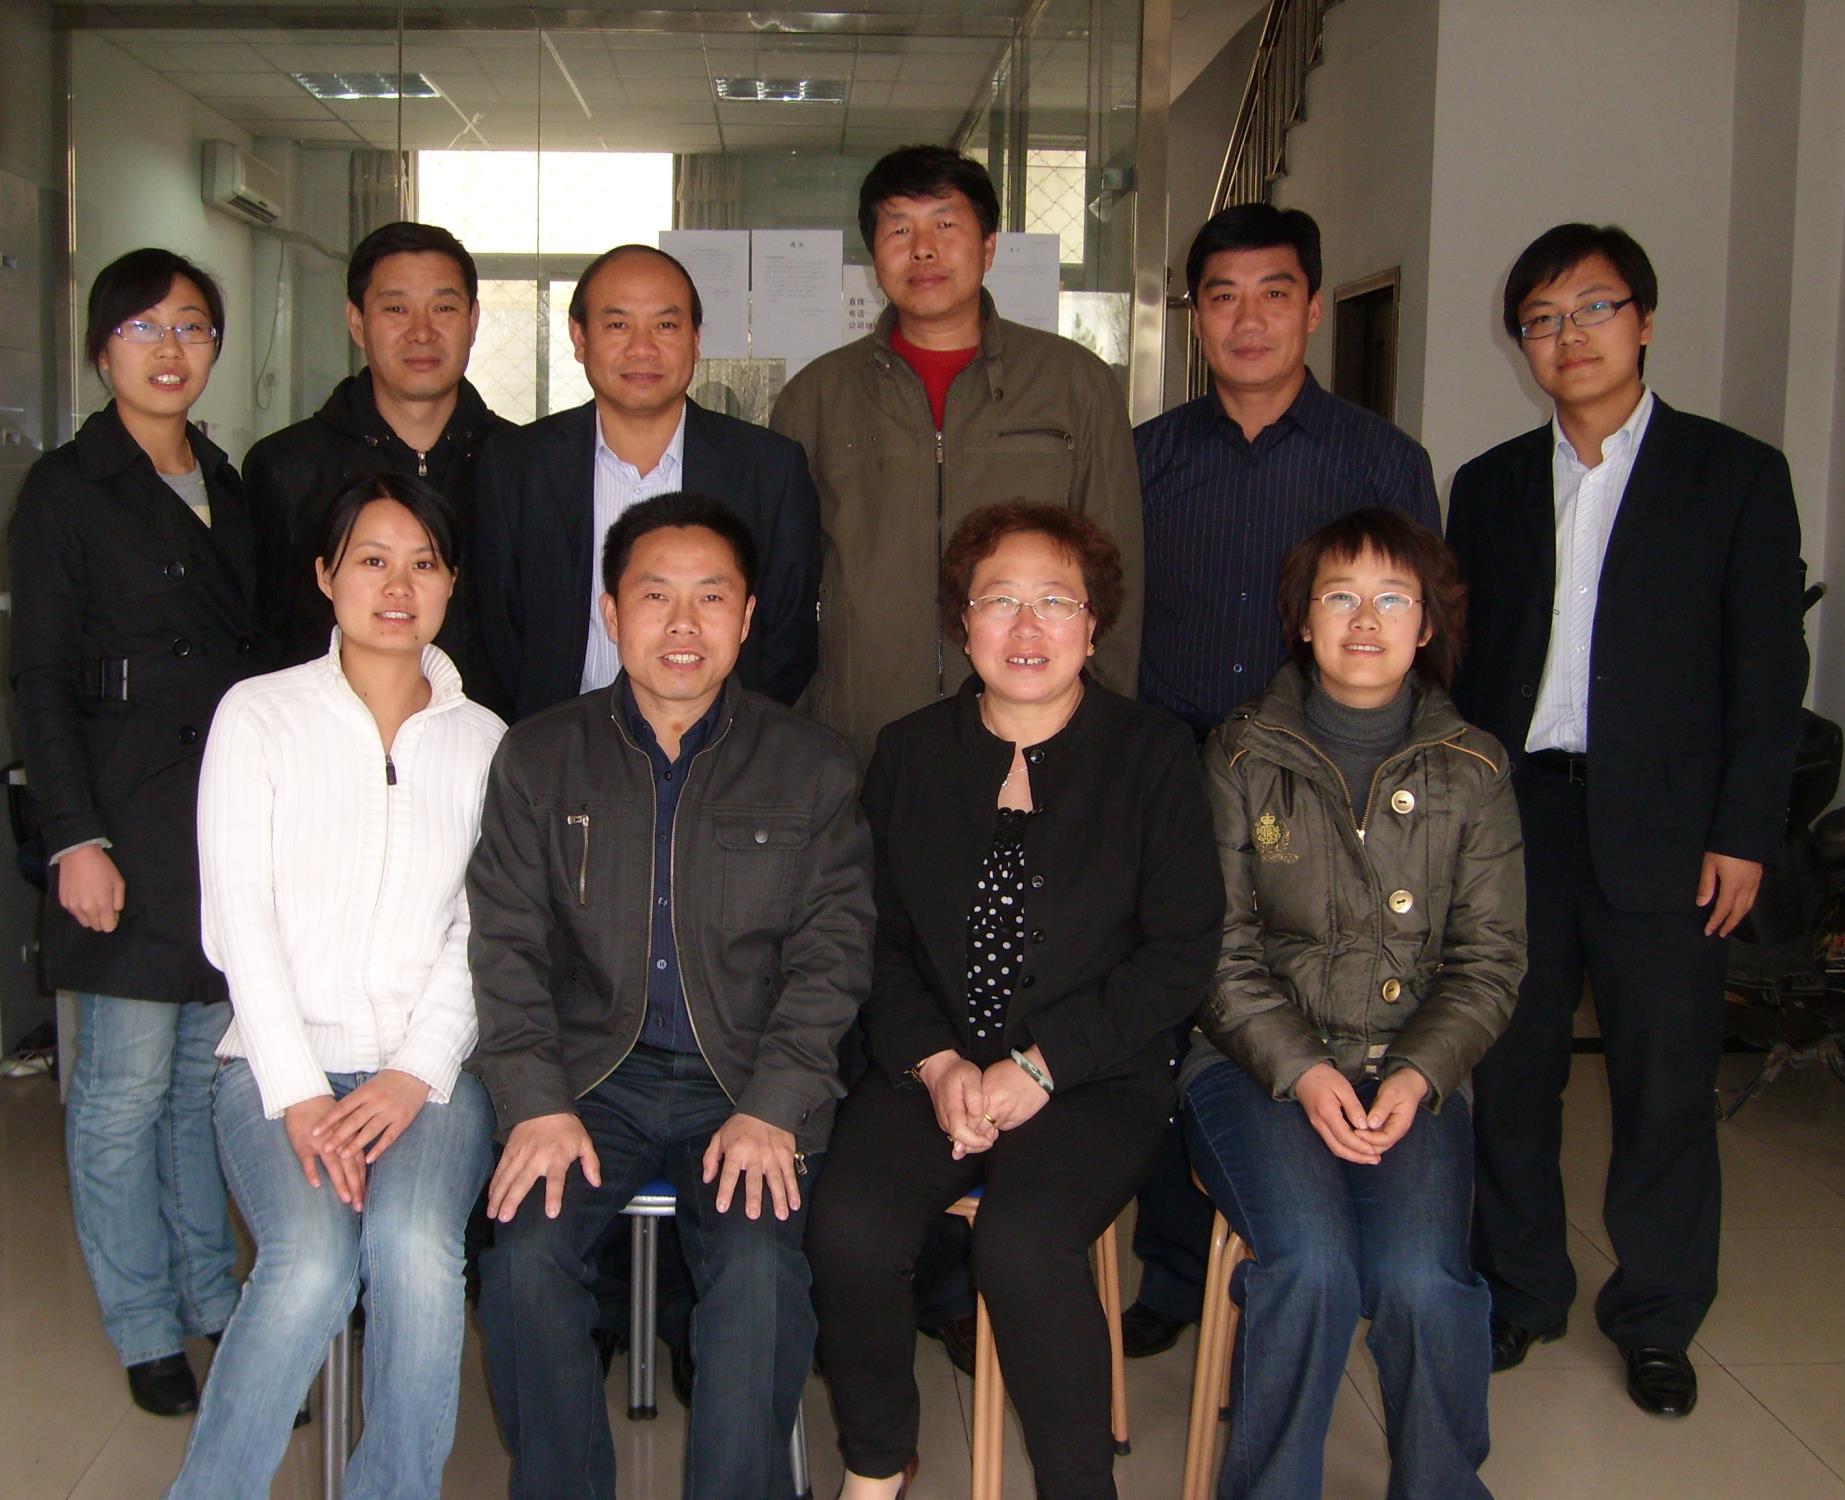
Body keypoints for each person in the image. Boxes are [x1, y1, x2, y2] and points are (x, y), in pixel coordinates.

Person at [1450, 223, 1808, 1417]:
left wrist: (1744, 830)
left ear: (1643, 322)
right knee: (1511, 1075)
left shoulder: (1733, 475)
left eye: (1592, 309)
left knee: (1662, 1088)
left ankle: (1655, 1315)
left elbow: (1767, 672)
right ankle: (1518, 1288)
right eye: (1540, 320)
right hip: (1518, 823)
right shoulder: (1488, 485)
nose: (1568, 337)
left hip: (1671, 831)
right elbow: (1463, 665)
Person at [807, 502, 1223, 1500]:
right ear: (962, 623)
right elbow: (877, 938)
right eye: (999, 602)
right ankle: (876, 1460)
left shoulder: (1153, 753)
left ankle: (1078, 1486)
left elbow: (1180, 954)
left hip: (1092, 1076)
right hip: (932, 1067)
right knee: (848, 1227)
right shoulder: (909, 753)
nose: (1026, 628)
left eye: (1054, 603)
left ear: (1093, 623)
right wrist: (935, 1061)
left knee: (1024, 1244)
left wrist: (1042, 1065)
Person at [467, 492, 872, 1500]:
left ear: (748, 616)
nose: (682, 624)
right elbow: (506, 947)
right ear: (610, 612)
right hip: (585, 1082)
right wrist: (534, 1102)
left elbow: (832, 958)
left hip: (743, 1082)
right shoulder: (538, 755)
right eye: (655, 596)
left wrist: (775, 1106)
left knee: (757, 1274)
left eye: (711, 597)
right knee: (522, 1265)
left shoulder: (812, 765)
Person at [1122, 201, 1443, 1359]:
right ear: (1194, 316)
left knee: (1310, 1002)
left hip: (1322, 792)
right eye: (1221, 296)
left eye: (1272, 293)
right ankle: (1175, 1268)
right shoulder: (1145, 458)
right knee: (1168, 1014)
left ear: (1311, 307)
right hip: (1169, 782)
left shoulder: (1378, 460)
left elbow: (1412, 633)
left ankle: (1324, 1243)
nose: (1246, 318)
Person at [169, 474, 503, 1498]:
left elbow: (485, 932)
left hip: (428, 1079)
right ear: (325, 576)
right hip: (279, 1070)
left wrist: (414, 1071)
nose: (397, 586)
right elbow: (238, 918)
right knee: (311, 1264)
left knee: (413, 1250)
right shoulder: (260, 716)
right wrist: (300, 1089)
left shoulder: (487, 743)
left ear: (451, 582)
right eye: (371, 560)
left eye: (422, 564)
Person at [1187, 507, 1524, 1500]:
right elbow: (1213, 952)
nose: (1364, 620)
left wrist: (1417, 1076)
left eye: (1392, 599)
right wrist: (1301, 1069)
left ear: (1427, 624)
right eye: (1339, 596)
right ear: (1302, 620)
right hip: (1253, 1068)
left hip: (1410, 1073)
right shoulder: (1239, 755)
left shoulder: (1474, 768)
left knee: (1424, 1284)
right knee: (1312, 1264)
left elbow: (1489, 960)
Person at [8, 248, 273, 1415]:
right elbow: (40, 676)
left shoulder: (225, 478)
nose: (170, 350)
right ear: (101, 347)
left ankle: (211, 1297)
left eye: (193, 327)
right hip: (120, 818)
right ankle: (143, 1324)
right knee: (120, 1092)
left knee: (196, 1089)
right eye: (142, 328)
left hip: (220, 821)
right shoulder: (67, 488)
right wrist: (73, 836)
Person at [771, 145, 1144, 765]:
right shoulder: (818, 397)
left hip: (1040, 735)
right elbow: (783, 593)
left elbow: (1116, 575)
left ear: (989, 246)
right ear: (873, 256)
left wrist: (1104, 737)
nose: (923, 249)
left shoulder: (1075, 385)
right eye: (899, 229)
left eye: (946, 224)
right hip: (860, 739)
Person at [477, 243, 820, 722]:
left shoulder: (769, 469)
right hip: (560, 746)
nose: (642, 348)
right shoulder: (516, 465)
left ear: (695, 339)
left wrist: (731, 742)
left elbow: (789, 639)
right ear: (579, 336)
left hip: (723, 750)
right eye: (618, 325)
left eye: (666, 325)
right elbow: (497, 630)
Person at [244, 220, 512, 709]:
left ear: (473, 320)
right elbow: (268, 644)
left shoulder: (523, 464)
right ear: (356, 321)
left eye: (444, 308)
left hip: (494, 744)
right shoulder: (286, 469)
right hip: (330, 742)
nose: (422, 331)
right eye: (395, 308)